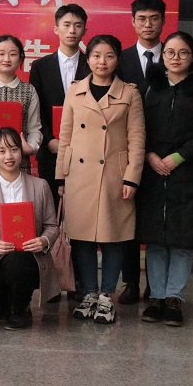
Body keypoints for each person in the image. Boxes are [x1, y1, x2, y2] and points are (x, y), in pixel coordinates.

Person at [56, 35, 145, 325]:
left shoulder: (129, 93)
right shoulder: (75, 91)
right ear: (88, 58)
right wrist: (61, 177)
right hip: (79, 175)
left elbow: (136, 139)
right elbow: (65, 137)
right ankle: (89, 294)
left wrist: (132, 178)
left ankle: (107, 296)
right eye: (96, 55)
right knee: (81, 238)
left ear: (118, 59)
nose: (102, 62)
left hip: (114, 176)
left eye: (109, 56)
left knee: (112, 237)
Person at [136, 32, 193, 327]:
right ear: (162, 56)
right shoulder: (150, 88)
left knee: (182, 239)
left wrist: (179, 157)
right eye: (170, 52)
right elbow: (136, 128)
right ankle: (156, 297)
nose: (175, 58)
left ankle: (174, 298)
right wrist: (150, 156)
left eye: (183, 52)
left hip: (187, 173)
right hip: (152, 172)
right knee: (156, 239)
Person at [0, 127, 61, 330]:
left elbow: (52, 226)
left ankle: (20, 310)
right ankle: (5, 305)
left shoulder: (40, 186)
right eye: (1, 151)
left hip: (29, 257)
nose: (8, 156)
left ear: (21, 151)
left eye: (13, 149)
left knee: (18, 262)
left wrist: (43, 240)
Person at [116, 0, 166, 305]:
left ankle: (156, 283)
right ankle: (131, 282)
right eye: (142, 19)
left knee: (158, 220)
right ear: (133, 22)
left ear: (163, 21)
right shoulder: (118, 59)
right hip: (126, 151)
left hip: (165, 153)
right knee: (128, 219)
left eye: (154, 18)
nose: (148, 24)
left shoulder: (175, 55)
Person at [29, 4, 90, 204]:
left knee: (83, 207)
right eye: (66, 25)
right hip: (51, 151)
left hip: (86, 152)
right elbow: (35, 110)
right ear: (56, 29)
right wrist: (49, 140)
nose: (72, 30)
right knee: (50, 208)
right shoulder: (40, 66)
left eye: (78, 25)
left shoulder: (94, 65)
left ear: (85, 30)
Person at [0, 35, 42, 184]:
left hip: (19, 164)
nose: (7, 59)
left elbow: (34, 127)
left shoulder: (29, 90)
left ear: (21, 58)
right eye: (1, 53)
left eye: (13, 54)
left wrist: (30, 148)